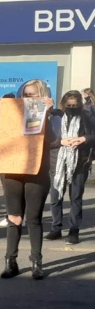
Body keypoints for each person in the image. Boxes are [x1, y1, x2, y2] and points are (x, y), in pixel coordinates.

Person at [0, 79, 54, 280]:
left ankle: (36, 262)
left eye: (32, 94)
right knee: (14, 218)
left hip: (37, 171)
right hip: (12, 170)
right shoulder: (14, 113)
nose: (28, 98)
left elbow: (53, 140)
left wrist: (48, 113)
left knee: (34, 219)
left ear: (42, 94)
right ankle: (11, 262)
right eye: (25, 94)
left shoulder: (52, 113)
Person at [46, 90, 95, 244]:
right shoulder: (55, 117)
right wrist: (61, 142)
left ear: (80, 104)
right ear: (63, 104)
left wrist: (83, 138)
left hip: (79, 162)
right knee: (56, 198)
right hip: (57, 162)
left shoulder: (87, 117)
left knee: (75, 198)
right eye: (69, 105)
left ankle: (74, 230)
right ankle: (56, 228)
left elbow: (93, 136)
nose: (72, 107)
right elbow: (46, 140)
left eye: (75, 105)